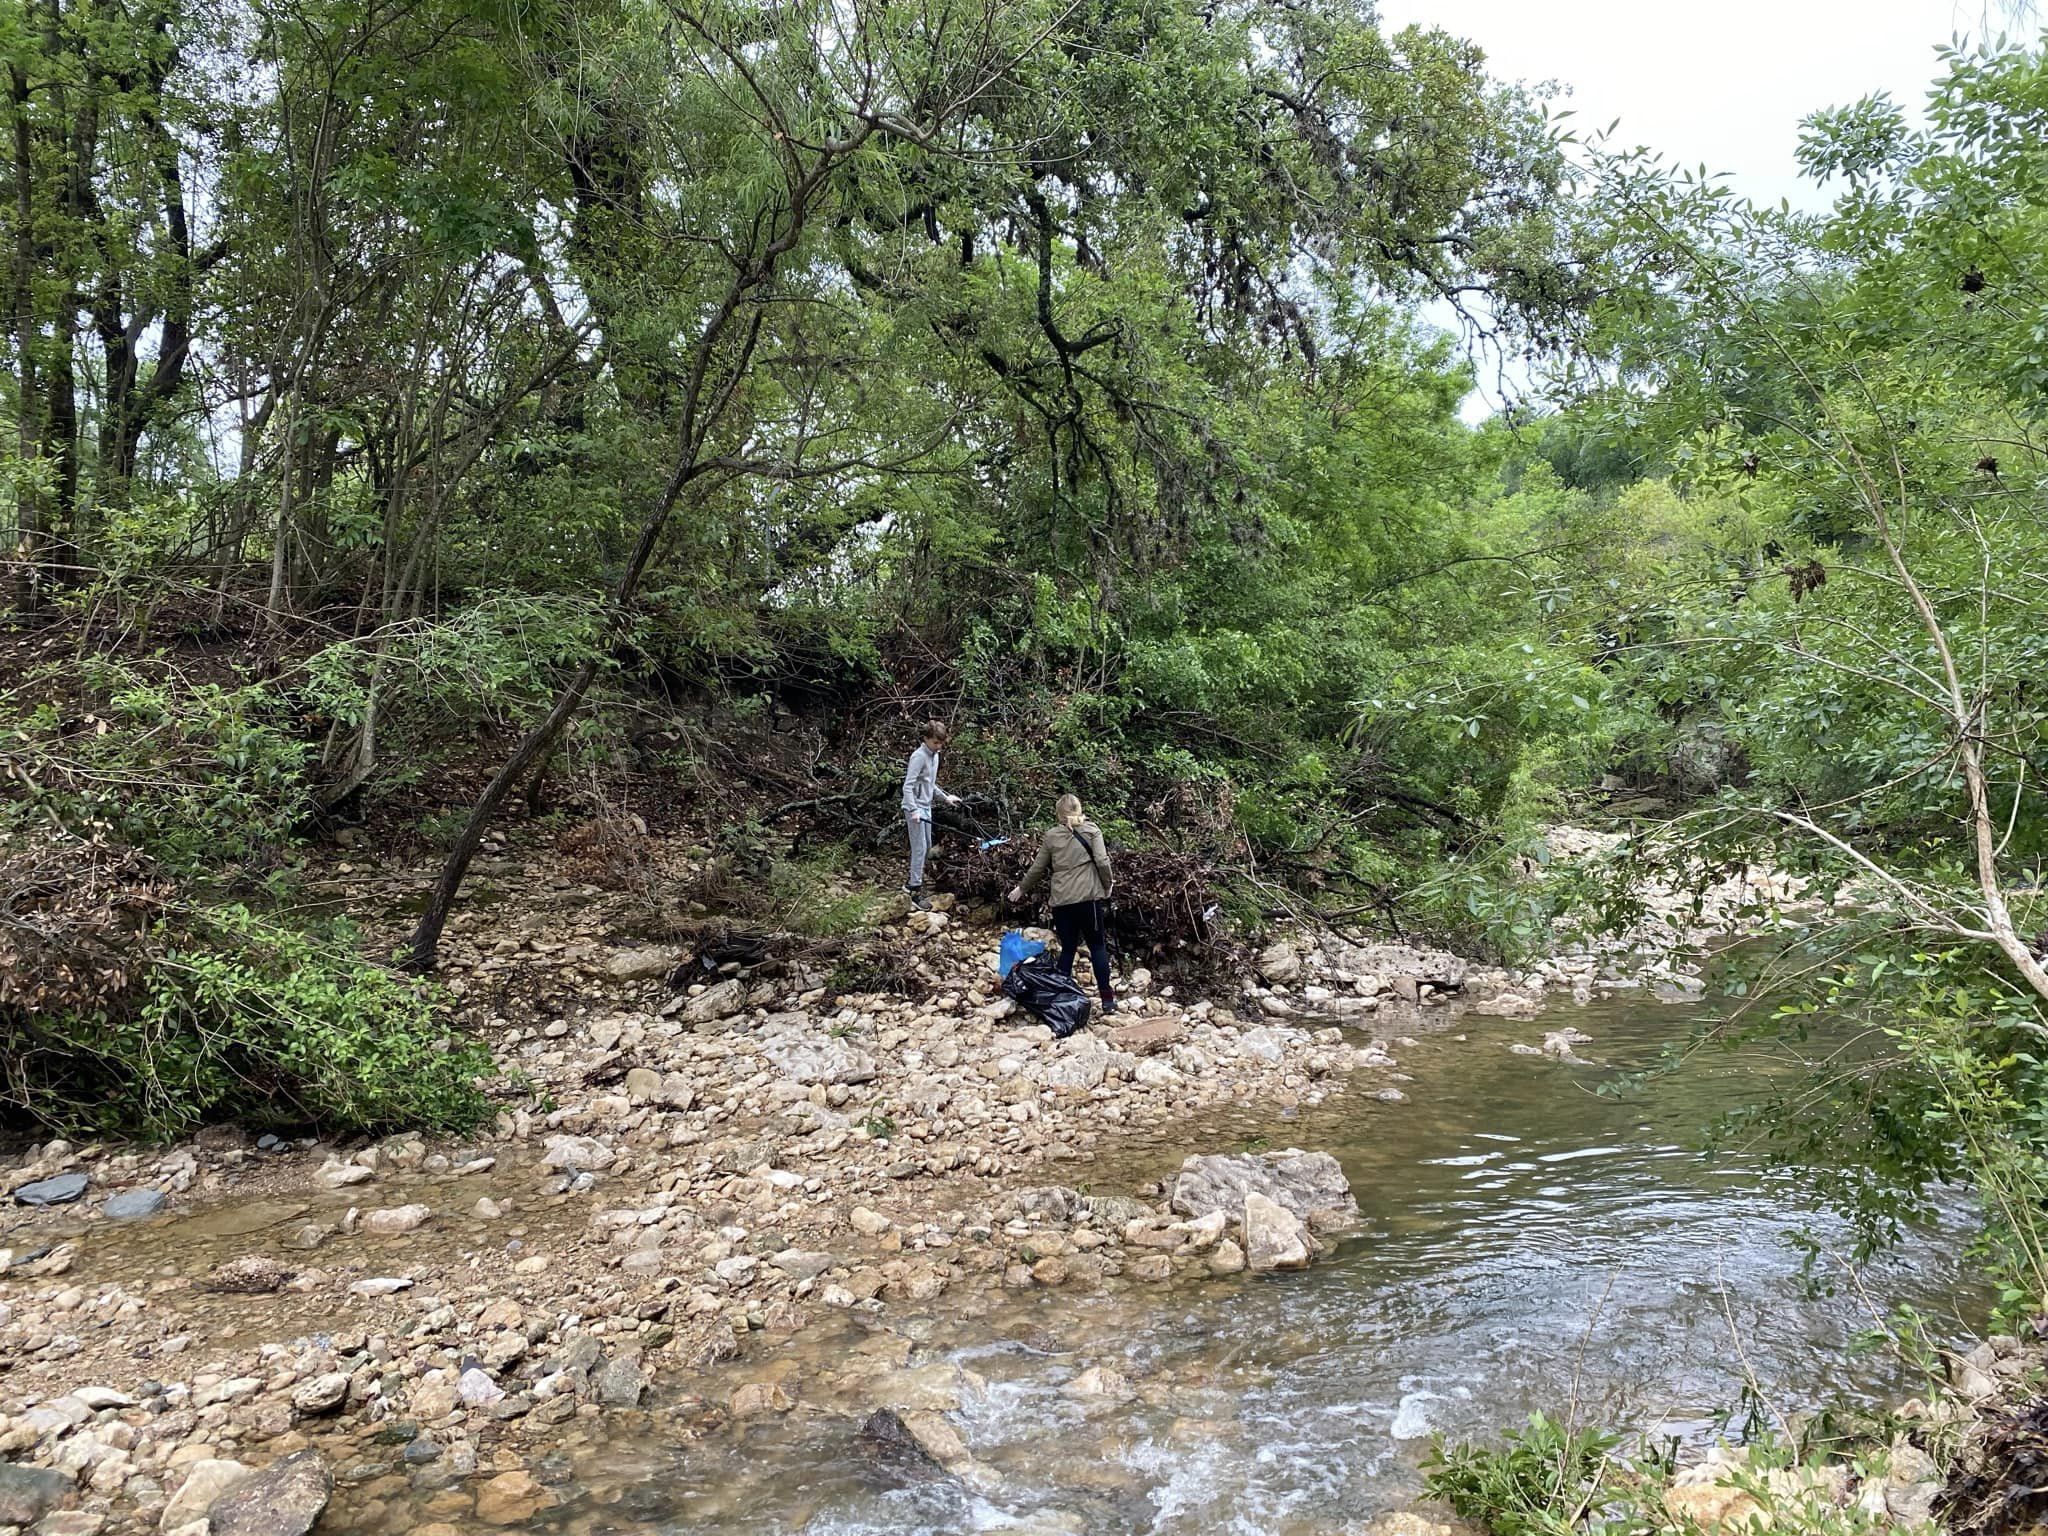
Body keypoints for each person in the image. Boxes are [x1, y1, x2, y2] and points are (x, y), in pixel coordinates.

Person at [1008, 793, 1116, 1014]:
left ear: (1058, 813)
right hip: (1088, 899)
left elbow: (1037, 868)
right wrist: (1108, 885)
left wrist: (1021, 888)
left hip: (1062, 902)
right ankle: (1107, 1000)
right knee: (1097, 946)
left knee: (1068, 949)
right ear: (1080, 808)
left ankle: (1058, 999)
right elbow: (1103, 862)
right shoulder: (1092, 830)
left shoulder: (1052, 836)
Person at [901, 720, 960, 911]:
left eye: (941, 743)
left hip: (926, 807)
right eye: (935, 742)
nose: (938, 746)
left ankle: (912, 881)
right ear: (926, 738)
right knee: (920, 848)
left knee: (926, 848)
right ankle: (915, 890)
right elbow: (908, 786)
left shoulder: (934, 756)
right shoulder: (918, 757)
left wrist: (945, 798)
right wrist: (913, 809)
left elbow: (929, 783)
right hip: (915, 809)